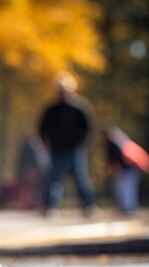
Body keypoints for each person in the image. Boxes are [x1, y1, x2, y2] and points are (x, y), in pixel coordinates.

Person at [39, 73, 96, 217]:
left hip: (75, 149)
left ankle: (88, 205)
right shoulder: (51, 109)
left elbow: (87, 128)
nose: (62, 94)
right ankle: (50, 206)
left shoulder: (79, 108)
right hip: (56, 149)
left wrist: (83, 144)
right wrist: (45, 145)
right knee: (53, 179)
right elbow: (42, 129)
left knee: (80, 178)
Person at [102, 124, 149, 214]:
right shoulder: (120, 140)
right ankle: (127, 207)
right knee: (126, 188)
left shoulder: (114, 142)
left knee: (126, 188)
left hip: (129, 168)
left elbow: (114, 159)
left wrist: (111, 168)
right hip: (129, 168)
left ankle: (128, 208)